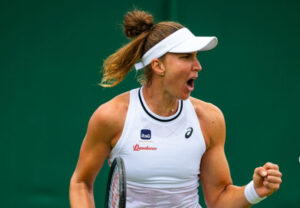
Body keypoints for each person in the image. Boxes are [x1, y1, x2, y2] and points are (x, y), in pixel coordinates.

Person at [69, 9, 282, 208]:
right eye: (186, 57)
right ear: (158, 65)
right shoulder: (112, 116)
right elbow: (81, 183)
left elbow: (219, 198)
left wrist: (256, 190)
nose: (198, 66)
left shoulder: (209, 118)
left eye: (196, 56)